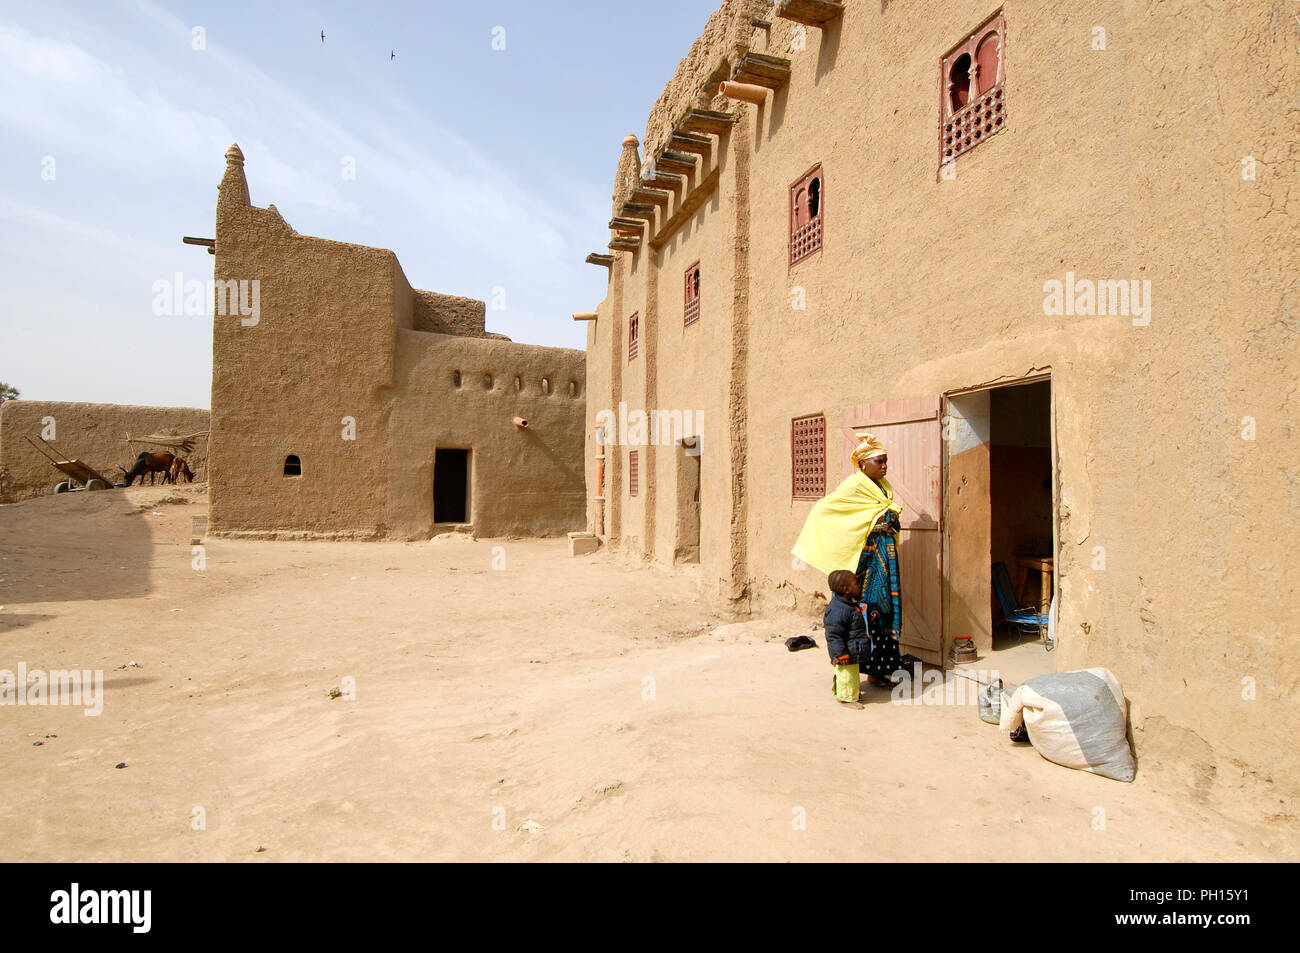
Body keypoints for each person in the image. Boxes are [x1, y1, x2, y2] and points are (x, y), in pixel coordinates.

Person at [793, 434, 906, 687]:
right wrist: (873, 527)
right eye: (879, 461)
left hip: (885, 559)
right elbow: (824, 510)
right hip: (867, 563)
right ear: (864, 463)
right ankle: (861, 671)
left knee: (886, 612)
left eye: (886, 461)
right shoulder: (854, 486)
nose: (884, 466)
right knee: (870, 613)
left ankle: (880, 672)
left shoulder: (883, 487)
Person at [824, 569, 872, 709]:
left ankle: (852, 694)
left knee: (851, 674)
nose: (859, 585)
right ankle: (845, 699)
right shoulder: (839, 609)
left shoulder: (848, 604)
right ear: (846, 589)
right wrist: (840, 654)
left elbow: (854, 623)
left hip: (852, 648)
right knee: (847, 675)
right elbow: (833, 635)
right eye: (856, 583)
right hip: (846, 651)